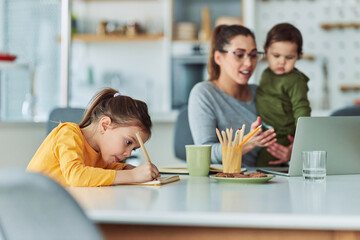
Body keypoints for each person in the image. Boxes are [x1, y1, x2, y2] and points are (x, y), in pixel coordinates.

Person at [188, 24, 280, 168]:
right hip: (227, 182)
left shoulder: (261, 93)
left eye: (253, 55)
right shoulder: (204, 93)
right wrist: (246, 143)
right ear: (218, 57)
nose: (249, 63)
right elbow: (204, 153)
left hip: (267, 177)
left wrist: (288, 151)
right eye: (239, 55)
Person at [27, 88, 160, 187]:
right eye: (128, 142)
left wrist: (134, 170)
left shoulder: (101, 154)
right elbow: (77, 176)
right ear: (105, 125)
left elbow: (106, 171)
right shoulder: (68, 134)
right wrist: (132, 175)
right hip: (32, 206)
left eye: (134, 149)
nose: (129, 153)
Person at [255, 23, 311, 166]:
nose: (282, 61)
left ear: (298, 56)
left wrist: (300, 141)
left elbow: (302, 109)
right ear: (266, 51)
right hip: (266, 131)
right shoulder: (266, 73)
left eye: (289, 57)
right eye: (276, 55)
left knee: (265, 167)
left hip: (283, 136)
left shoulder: (295, 80)